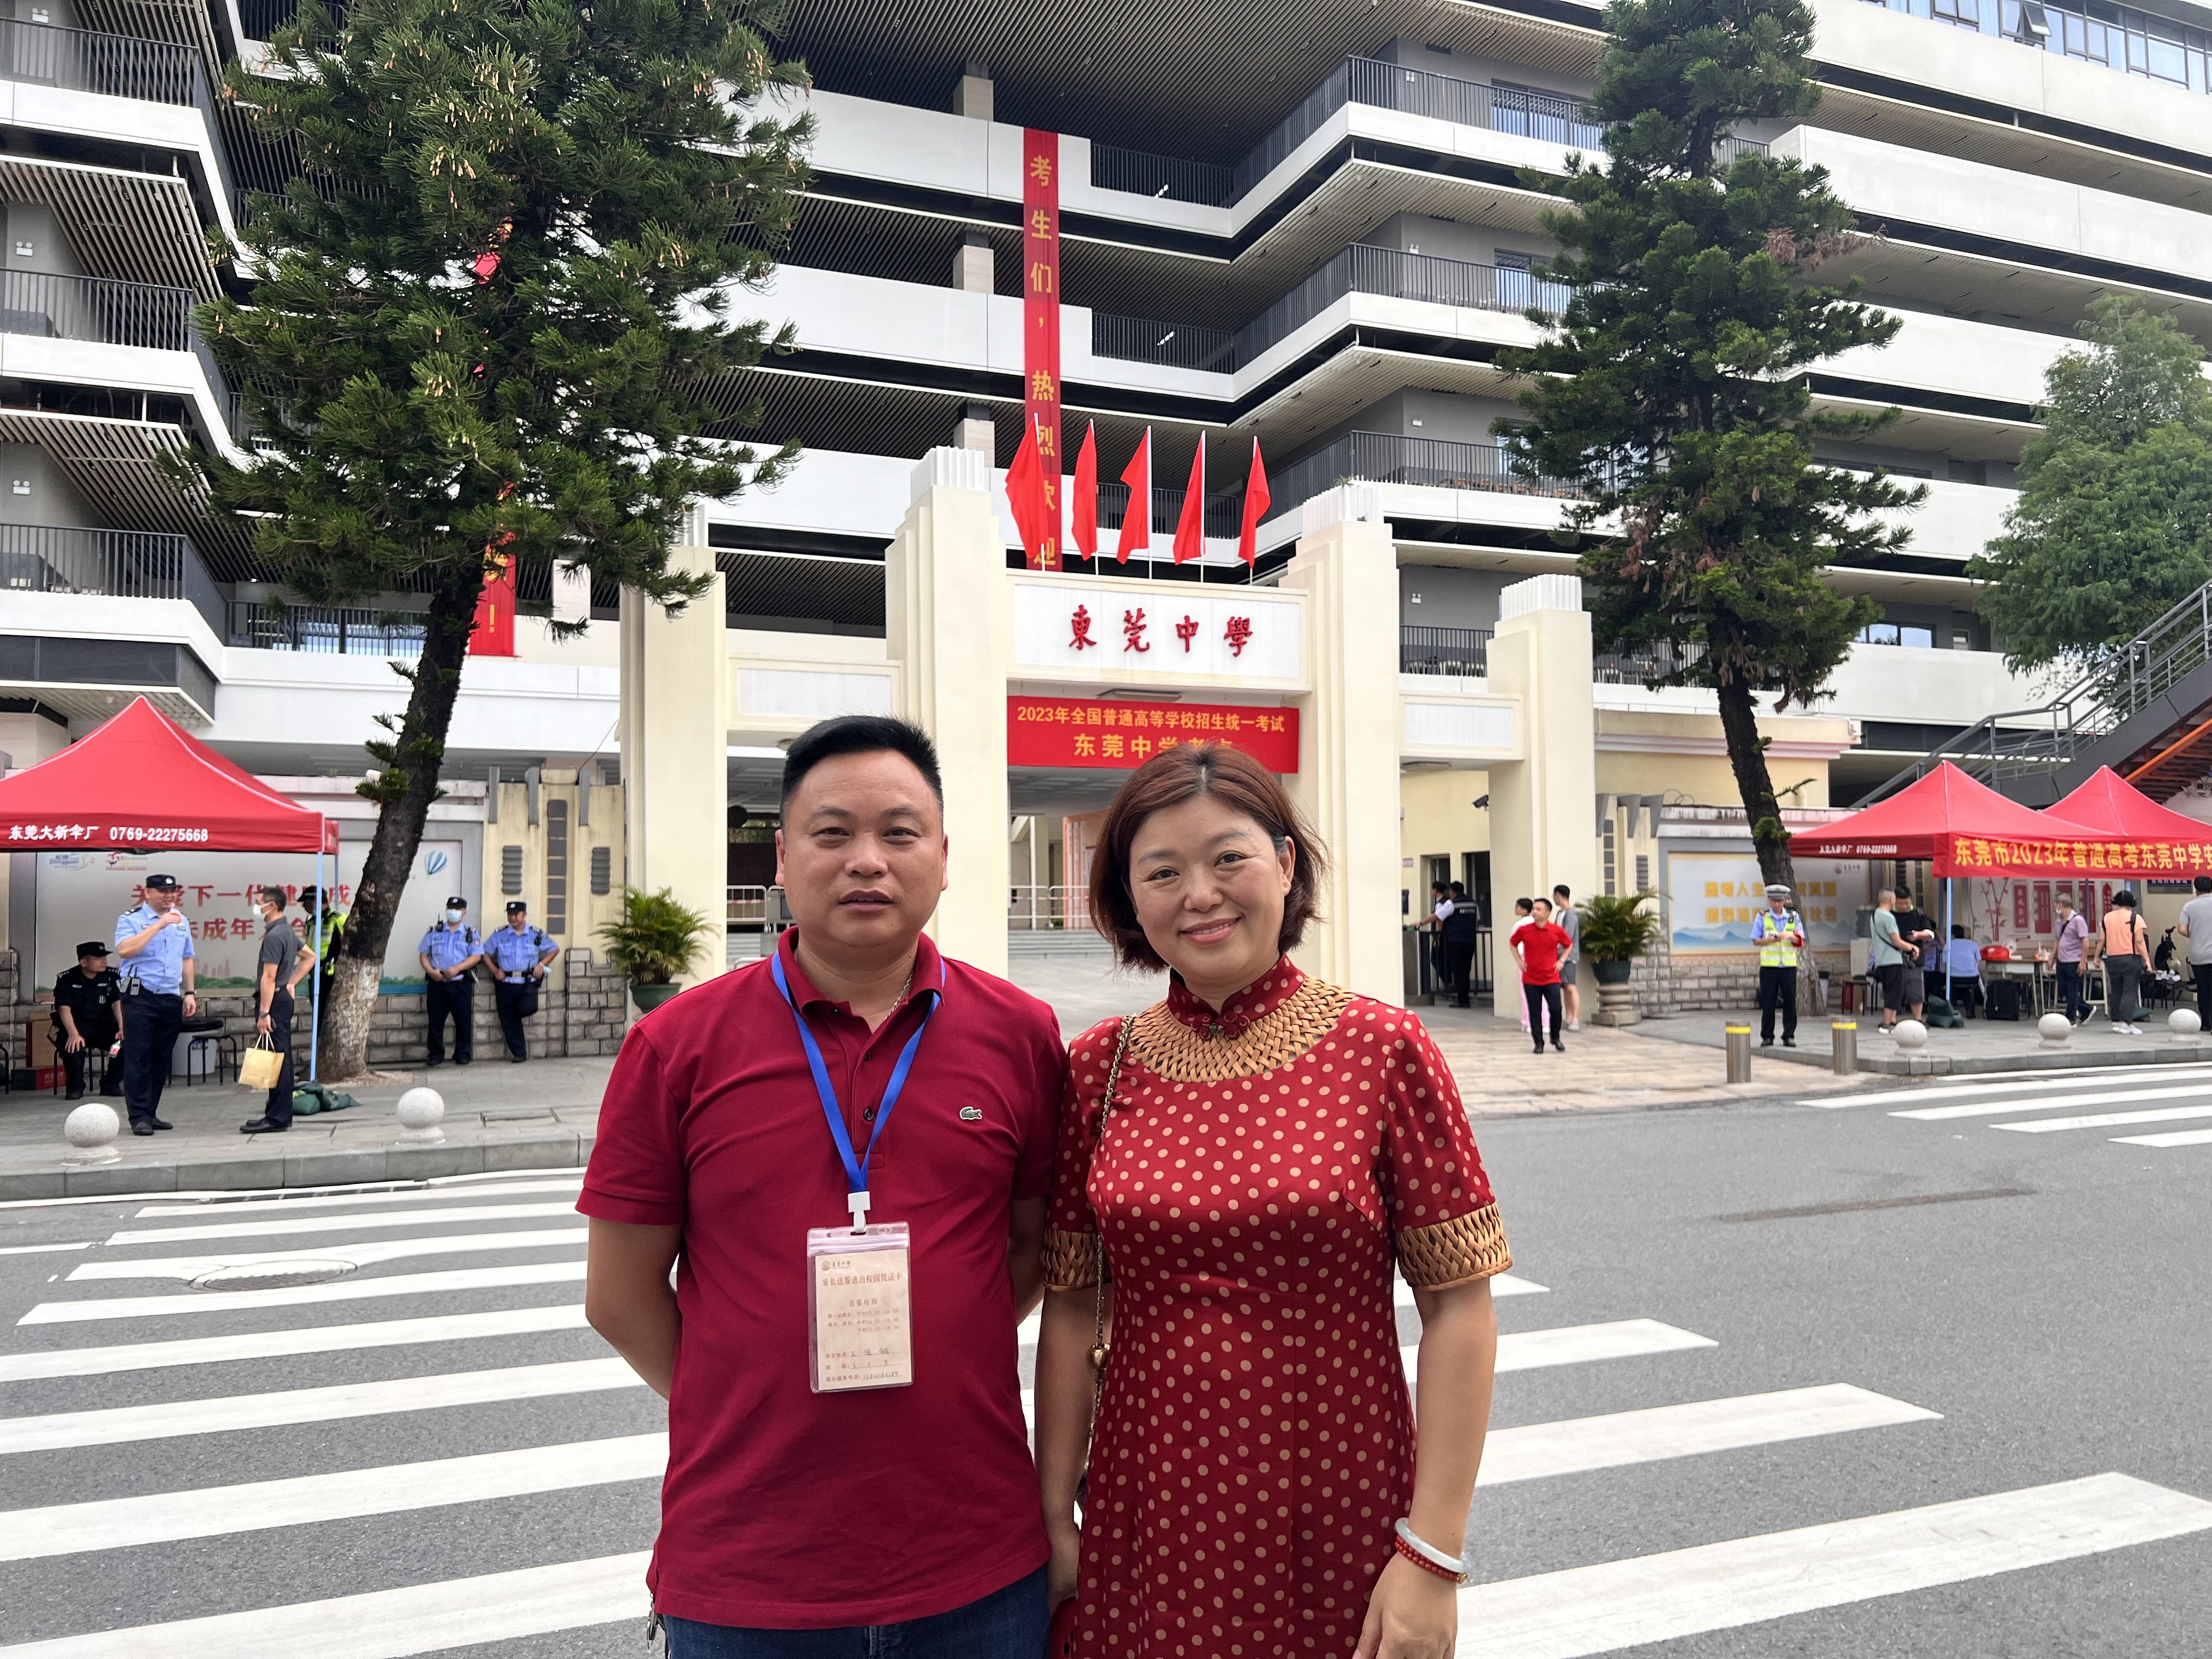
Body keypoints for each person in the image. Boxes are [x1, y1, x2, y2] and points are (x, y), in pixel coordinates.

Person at [579, 715, 1063, 1656]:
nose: (866, 861)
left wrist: (936, 1336)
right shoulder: (677, 1045)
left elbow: (1032, 1245)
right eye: (833, 832)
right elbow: (620, 1294)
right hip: (749, 1572)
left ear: (944, 856)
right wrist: (743, 1395)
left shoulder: (1020, 1033)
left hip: (978, 1561)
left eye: (899, 832)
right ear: (783, 856)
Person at [1035, 742, 1506, 1659]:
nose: (1199, 894)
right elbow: (1072, 1305)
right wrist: (1055, 1514)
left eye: (1228, 858)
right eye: (1161, 871)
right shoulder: (1100, 1065)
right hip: (1145, 1511)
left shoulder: (1382, 1049)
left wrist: (1432, 1552)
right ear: (1129, 897)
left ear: (1286, 865)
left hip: (1335, 1507)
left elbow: (1459, 1309)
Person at [113, 872, 195, 1135]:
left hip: (170, 996)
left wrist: (190, 992)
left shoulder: (182, 920)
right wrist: (159, 925)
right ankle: (138, 1116)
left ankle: (150, 1112)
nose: (169, 897)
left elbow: (187, 958)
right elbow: (125, 950)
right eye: (162, 892)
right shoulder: (131, 919)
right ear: (147, 893)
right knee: (139, 1056)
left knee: (161, 1058)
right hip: (140, 995)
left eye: (173, 892)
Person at [240, 886, 314, 1135]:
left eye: (259, 902)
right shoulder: (287, 931)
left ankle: (278, 1117)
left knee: (278, 1060)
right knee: (278, 1057)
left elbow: (269, 977)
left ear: (271, 906)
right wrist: (292, 982)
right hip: (282, 997)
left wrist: (264, 1012)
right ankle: (276, 1113)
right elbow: (310, 957)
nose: (256, 906)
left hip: (273, 1002)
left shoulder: (275, 935)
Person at [484, 901, 559, 1062]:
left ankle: (513, 1017)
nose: (512, 918)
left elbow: (554, 949)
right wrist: (495, 970)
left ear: (524, 915)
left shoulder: (535, 934)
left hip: (527, 982)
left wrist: (541, 965)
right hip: (506, 982)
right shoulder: (500, 934)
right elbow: (485, 953)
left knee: (529, 1007)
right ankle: (519, 1053)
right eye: (510, 914)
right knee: (508, 1019)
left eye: (516, 914)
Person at [52, 941, 123, 1101]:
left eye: (104, 957)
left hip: (104, 1028)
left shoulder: (111, 976)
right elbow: (64, 1009)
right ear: (84, 962)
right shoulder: (67, 978)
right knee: (72, 1047)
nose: (104, 961)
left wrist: (121, 1028)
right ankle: (75, 1087)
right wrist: (73, 1034)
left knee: (122, 1045)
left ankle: (110, 1084)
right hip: (77, 1028)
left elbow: (117, 1003)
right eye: (98, 958)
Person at [417, 896, 483, 1066]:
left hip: (460, 983)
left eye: (457, 909)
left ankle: (463, 1054)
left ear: (464, 912)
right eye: (450, 909)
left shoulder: (471, 933)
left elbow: (476, 956)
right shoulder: (434, 932)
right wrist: (431, 972)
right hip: (437, 983)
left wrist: (458, 969)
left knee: (463, 1021)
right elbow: (424, 955)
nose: (453, 912)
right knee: (435, 1021)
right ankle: (435, 1054)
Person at [1512, 894, 1572, 1054]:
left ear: (1548, 912)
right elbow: (1513, 943)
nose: (1535, 912)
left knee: (1556, 1009)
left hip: (1551, 978)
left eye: (1539, 909)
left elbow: (1568, 944)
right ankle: (1538, 1043)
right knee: (1535, 1012)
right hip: (1531, 979)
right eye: (1534, 909)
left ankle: (1555, 1038)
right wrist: (1519, 961)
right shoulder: (1524, 930)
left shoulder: (1556, 930)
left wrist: (1562, 961)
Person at [1753, 884, 1805, 1047]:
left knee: (1790, 1001)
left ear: (1784, 900)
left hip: (1788, 967)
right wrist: (1768, 940)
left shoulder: (1793, 917)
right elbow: (1755, 940)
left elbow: (1800, 941)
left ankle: (1789, 1035)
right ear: (1769, 900)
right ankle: (1767, 1036)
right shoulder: (1762, 917)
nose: (1777, 904)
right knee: (1768, 1002)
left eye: (1779, 901)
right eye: (1774, 901)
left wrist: (1790, 936)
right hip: (1769, 967)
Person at [2100, 889, 2151, 1036]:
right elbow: (2140, 942)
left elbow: (2102, 940)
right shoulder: (2135, 918)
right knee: (2129, 991)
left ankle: (2116, 1021)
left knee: (2116, 990)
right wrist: (2147, 961)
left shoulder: (2107, 917)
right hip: (2130, 958)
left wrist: (2097, 956)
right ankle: (2126, 1023)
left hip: (2112, 958)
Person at [302, 886, 345, 1044]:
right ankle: (319, 1050)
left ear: (315, 901)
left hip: (332, 976)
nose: (304, 906)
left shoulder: (338, 919)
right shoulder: (311, 922)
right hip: (315, 975)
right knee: (318, 1015)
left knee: (329, 1016)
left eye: (306, 902)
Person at [1869, 888, 1915, 1032]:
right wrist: (1912, 948)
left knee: (1889, 990)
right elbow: (1897, 941)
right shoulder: (1888, 917)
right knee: (1894, 992)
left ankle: (1892, 1020)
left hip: (1881, 960)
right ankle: (1887, 1023)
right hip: (1893, 960)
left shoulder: (1874, 916)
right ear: (1891, 900)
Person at [1895, 891, 1938, 1024]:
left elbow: (1930, 934)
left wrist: (1918, 935)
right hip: (1894, 957)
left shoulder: (1919, 914)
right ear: (1894, 901)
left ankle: (1918, 1019)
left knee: (1916, 990)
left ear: (1911, 900)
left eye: (1907, 903)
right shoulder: (1890, 914)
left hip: (1915, 959)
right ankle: (1891, 1020)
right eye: (1901, 904)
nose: (1904, 906)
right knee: (1894, 990)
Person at [2174, 874, 2212, 1018]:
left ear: (2196, 890)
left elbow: (2182, 929)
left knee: (2203, 989)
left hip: (2198, 956)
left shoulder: (2189, 906)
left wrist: (2195, 934)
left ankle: (2206, 1022)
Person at [1441, 878, 1482, 1009]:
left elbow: (1439, 916)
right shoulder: (1473, 903)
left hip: (1455, 941)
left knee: (1458, 971)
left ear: (1452, 892)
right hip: (1470, 941)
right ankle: (1465, 999)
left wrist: (1421, 923)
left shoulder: (1451, 903)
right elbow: (1477, 920)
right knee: (1466, 970)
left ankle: (1462, 1000)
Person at [2053, 893, 2093, 1025]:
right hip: (2062, 960)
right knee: (2064, 990)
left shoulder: (2078, 920)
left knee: (2073, 990)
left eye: (2056, 905)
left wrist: (2083, 961)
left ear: (2060, 905)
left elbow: (2085, 941)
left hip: (2074, 961)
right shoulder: (2059, 921)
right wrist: (2052, 957)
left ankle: (2070, 1019)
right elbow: (2057, 940)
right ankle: (2086, 1009)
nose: (2055, 908)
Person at [1553, 884, 1582, 1031]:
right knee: (1564, 986)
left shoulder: (1571, 915)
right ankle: (1569, 1017)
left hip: (1569, 957)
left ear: (1558, 895)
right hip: (1558, 955)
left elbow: (1567, 937)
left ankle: (1575, 1019)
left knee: (1570, 986)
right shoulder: (1560, 914)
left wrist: (1560, 952)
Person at [1945, 925, 1984, 1018]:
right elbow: (1978, 961)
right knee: (1969, 988)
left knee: (1951, 986)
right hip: (1972, 977)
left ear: (1952, 935)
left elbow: (1945, 964)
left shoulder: (1948, 945)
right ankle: (1970, 1011)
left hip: (1954, 977)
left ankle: (1952, 1009)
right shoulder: (1974, 944)